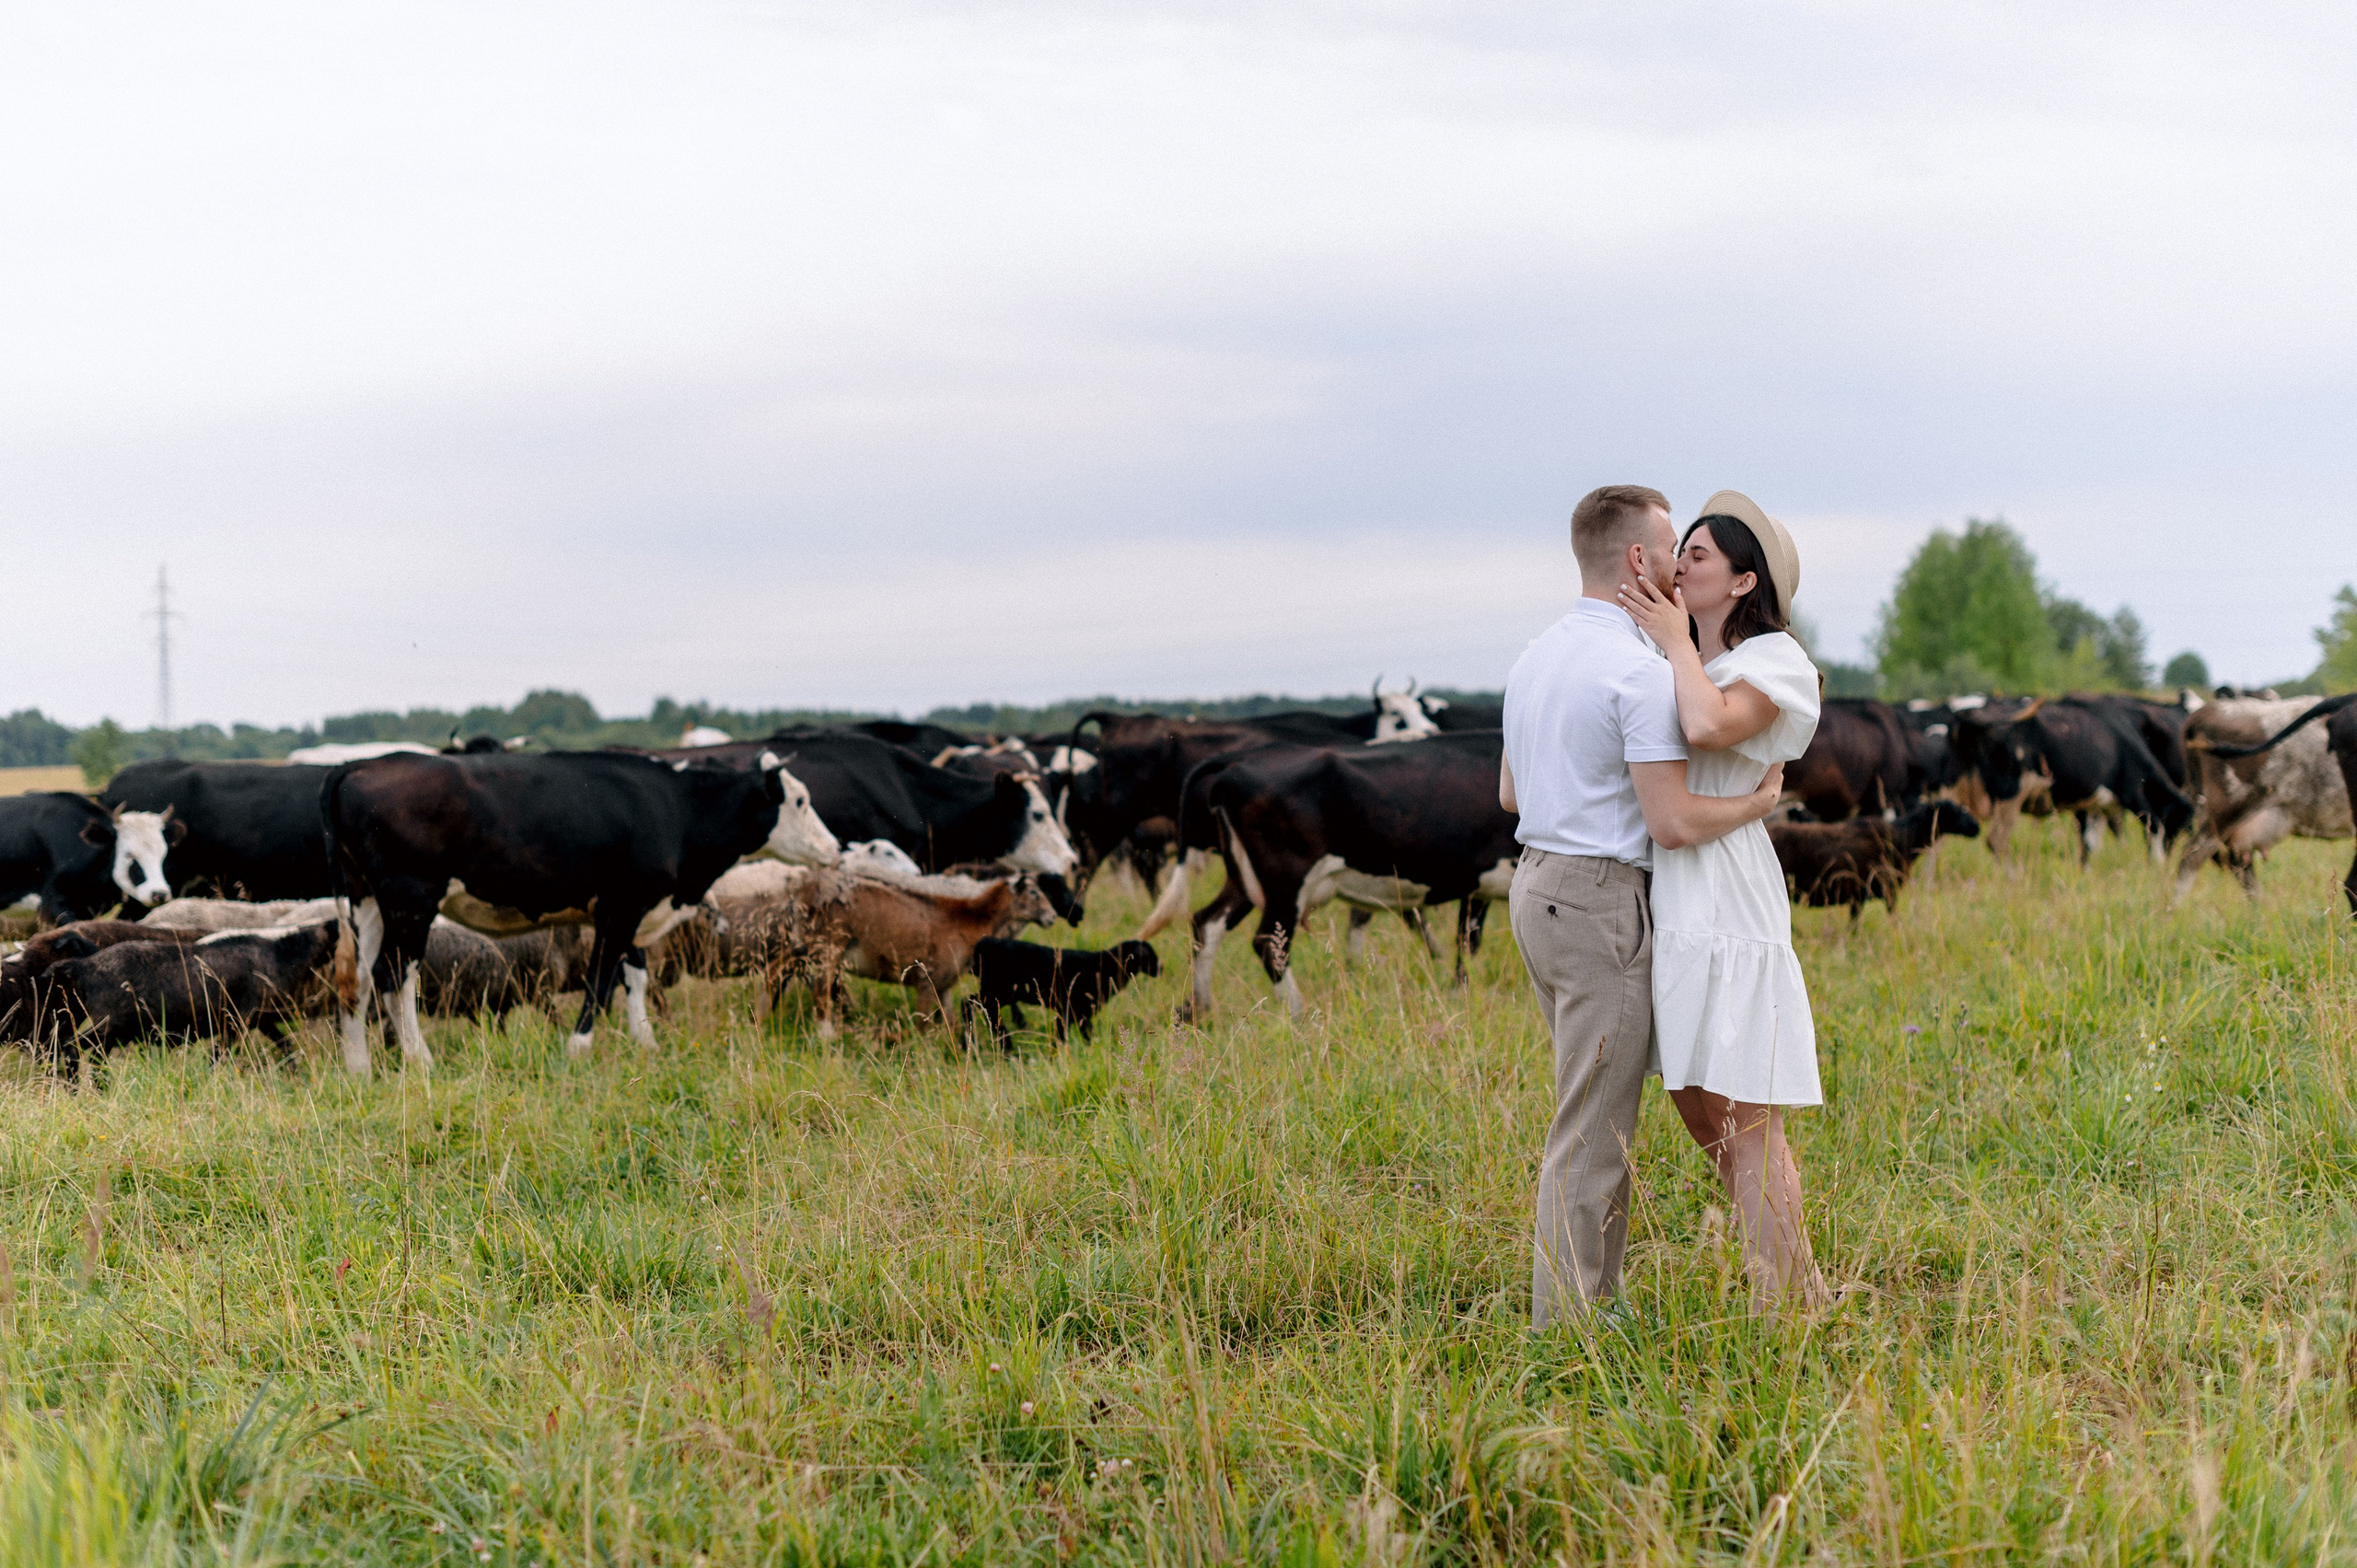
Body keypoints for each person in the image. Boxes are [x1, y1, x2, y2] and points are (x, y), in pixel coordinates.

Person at [1501, 485, 1786, 1327]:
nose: (1679, 561)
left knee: (1586, 1107)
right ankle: (1574, 1324)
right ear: (1638, 561)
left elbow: (1512, 794)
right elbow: (1672, 819)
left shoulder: (1535, 657)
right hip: (1599, 901)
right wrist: (1754, 806)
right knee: (1593, 1128)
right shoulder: (1637, 671)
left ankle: (1593, 1299)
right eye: (1673, 548)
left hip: (1536, 885)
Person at [1616, 490, 1829, 1312]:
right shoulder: (1682, 655)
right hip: (1674, 891)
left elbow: (1707, 729)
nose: (1681, 561)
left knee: (1743, 1110)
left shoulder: (1775, 660)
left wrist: (1670, 640)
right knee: (1695, 1098)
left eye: (1699, 553)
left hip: (1728, 891)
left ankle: (1783, 1301)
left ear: (1744, 581)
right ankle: (1800, 1280)